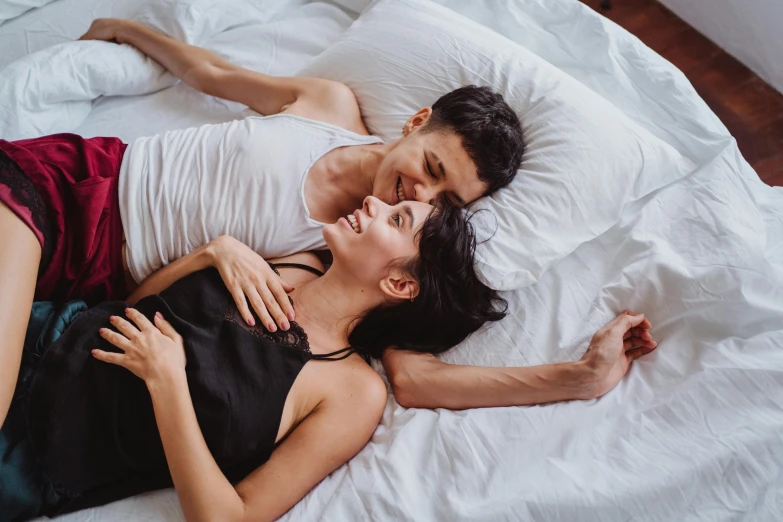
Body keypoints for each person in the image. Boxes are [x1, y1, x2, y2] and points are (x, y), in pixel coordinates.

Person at [0, 17, 526, 427]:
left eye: (447, 200)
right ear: (415, 124)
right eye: (431, 168)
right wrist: (128, 30)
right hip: (74, 186)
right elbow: (213, 74)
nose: (424, 194)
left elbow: (410, 375)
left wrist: (576, 380)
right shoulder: (328, 106)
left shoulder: (341, 253)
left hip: (93, 283)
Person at [0, 197, 510, 520]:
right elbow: (137, 306)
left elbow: (229, 518)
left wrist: (168, 383)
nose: (373, 201)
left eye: (396, 218)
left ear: (399, 283)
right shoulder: (297, 260)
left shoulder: (351, 392)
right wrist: (211, 252)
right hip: (43, 328)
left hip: (40, 454)